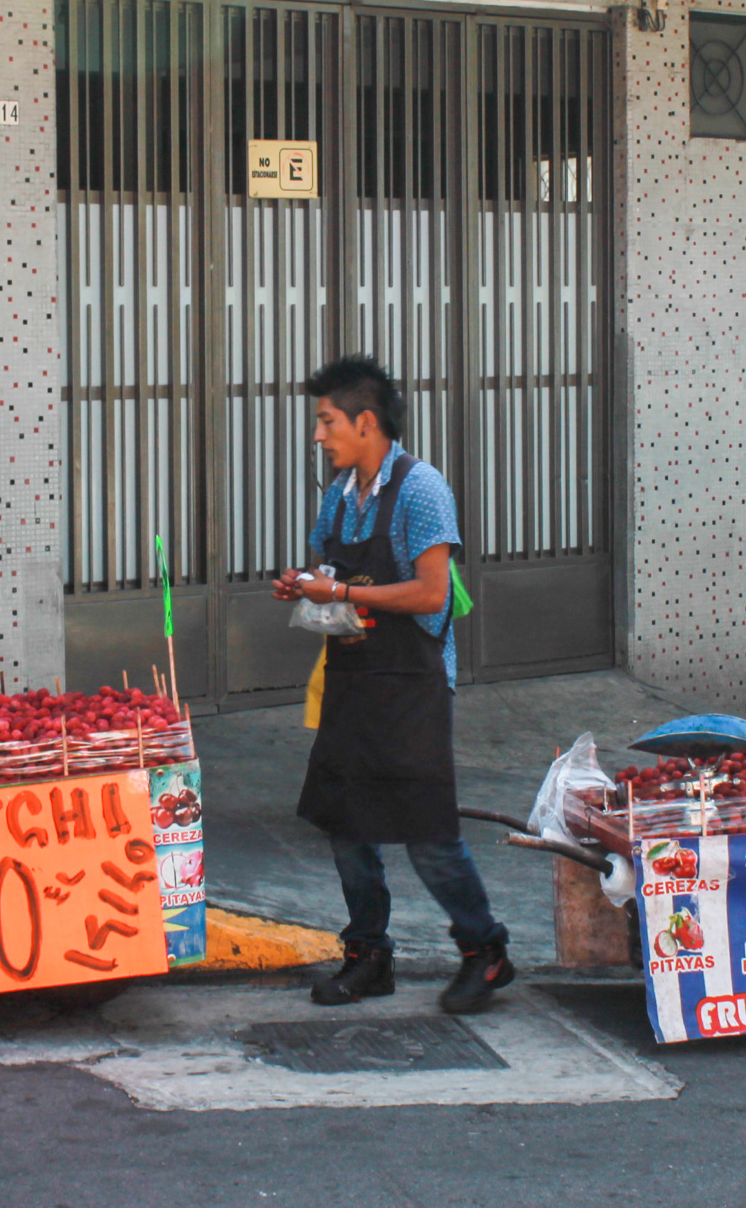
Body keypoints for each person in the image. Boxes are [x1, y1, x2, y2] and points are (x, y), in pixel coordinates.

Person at [273, 356, 513, 1014]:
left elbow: (433, 592)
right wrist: (303, 584)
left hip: (412, 685)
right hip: (351, 678)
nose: (318, 435)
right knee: (345, 827)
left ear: (366, 421)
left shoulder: (421, 489)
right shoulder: (340, 494)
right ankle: (369, 955)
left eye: (327, 421)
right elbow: (331, 566)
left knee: (428, 835)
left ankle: (484, 950)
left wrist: (342, 589)